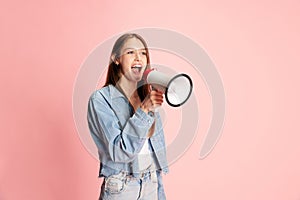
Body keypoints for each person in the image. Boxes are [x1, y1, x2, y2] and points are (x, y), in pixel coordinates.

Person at [87, 33, 169, 200]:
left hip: (152, 183)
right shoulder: (101, 100)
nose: (138, 58)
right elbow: (120, 153)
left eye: (143, 53)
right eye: (131, 52)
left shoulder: (147, 97)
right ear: (116, 59)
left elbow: (154, 156)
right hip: (122, 187)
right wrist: (144, 110)